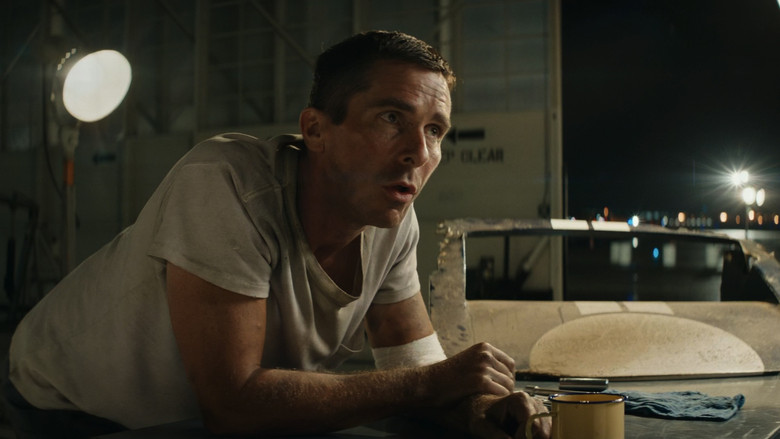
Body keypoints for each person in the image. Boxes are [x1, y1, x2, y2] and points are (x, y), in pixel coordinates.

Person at [2, 30, 550, 439]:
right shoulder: (226, 183)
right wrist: (432, 386)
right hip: (64, 410)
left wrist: (481, 411)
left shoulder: (392, 222)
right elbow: (234, 404)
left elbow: (416, 370)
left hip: (188, 419)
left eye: (435, 130)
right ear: (315, 129)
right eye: (391, 119)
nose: (419, 152)